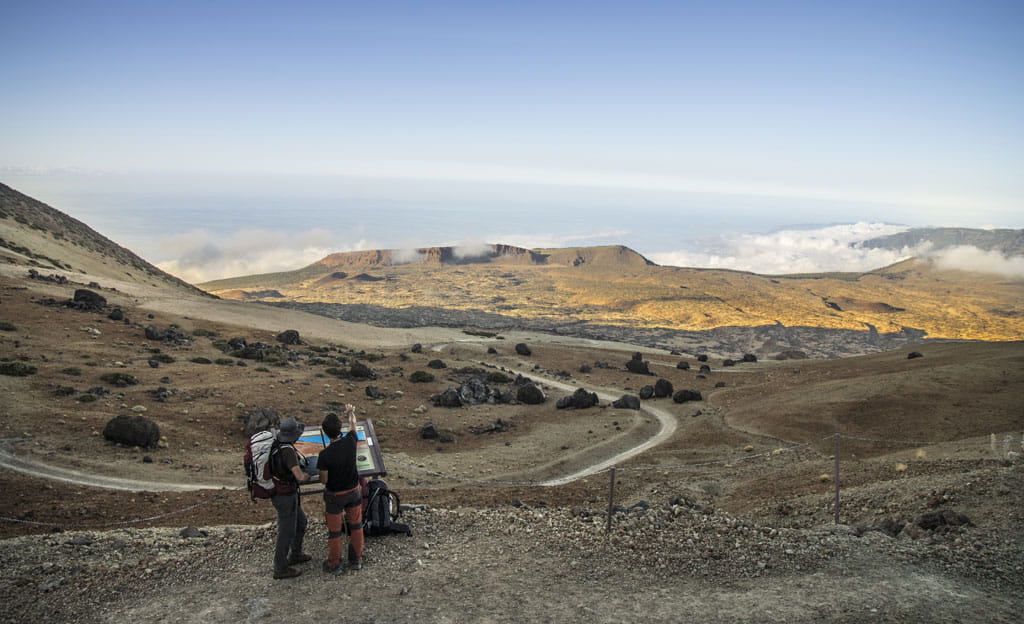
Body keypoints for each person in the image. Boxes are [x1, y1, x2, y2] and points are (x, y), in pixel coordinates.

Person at [318, 404, 365, 574]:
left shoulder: (325, 455)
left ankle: (334, 564)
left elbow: (324, 480)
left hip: (335, 496)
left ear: (325, 432)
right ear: (340, 428)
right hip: (354, 491)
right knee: (356, 526)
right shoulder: (350, 441)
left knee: (335, 532)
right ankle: (356, 560)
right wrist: (351, 413)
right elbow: (353, 425)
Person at [271, 417, 316, 579]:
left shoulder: (277, 443)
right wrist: (308, 476)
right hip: (285, 495)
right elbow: (298, 476)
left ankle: (295, 554)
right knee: (286, 531)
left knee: (300, 521)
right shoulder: (288, 451)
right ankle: (280, 568)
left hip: (281, 492)